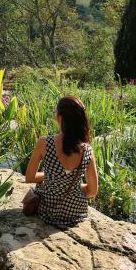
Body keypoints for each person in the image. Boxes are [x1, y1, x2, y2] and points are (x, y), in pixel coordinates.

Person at [24, 96, 98, 226]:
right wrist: (72, 184)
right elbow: (92, 191)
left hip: (48, 212)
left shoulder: (45, 143)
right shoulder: (87, 150)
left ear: (60, 117)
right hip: (76, 213)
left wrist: (53, 178)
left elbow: (29, 177)